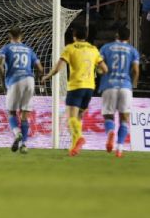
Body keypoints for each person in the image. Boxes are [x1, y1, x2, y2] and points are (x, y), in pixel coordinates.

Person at [42, 25, 107, 156]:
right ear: (86, 36)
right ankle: (74, 147)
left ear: (74, 36)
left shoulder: (70, 48)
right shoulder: (93, 49)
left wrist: (48, 76)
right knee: (78, 118)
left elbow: (58, 68)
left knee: (71, 118)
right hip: (89, 88)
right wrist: (97, 70)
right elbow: (104, 69)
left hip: (76, 86)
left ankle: (79, 139)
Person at [0, 26, 43, 153]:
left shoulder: (6, 48)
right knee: (24, 115)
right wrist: (40, 79)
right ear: (21, 36)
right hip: (29, 80)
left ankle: (17, 134)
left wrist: (2, 81)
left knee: (11, 112)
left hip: (15, 80)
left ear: (9, 36)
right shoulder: (28, 49)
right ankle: (24, 145)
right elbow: (40, 68)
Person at [99, 27, 140, 157]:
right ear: (128, 37)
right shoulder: (133, 51)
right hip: (125, 86)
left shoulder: (106, 48)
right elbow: (136, 70)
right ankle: (120, 148)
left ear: (117, 35)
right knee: (124, 118)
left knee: (109, 116)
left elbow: (99, 65)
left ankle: (111, 131)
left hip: (109, 85)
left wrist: (101, 73)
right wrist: (132, 83)